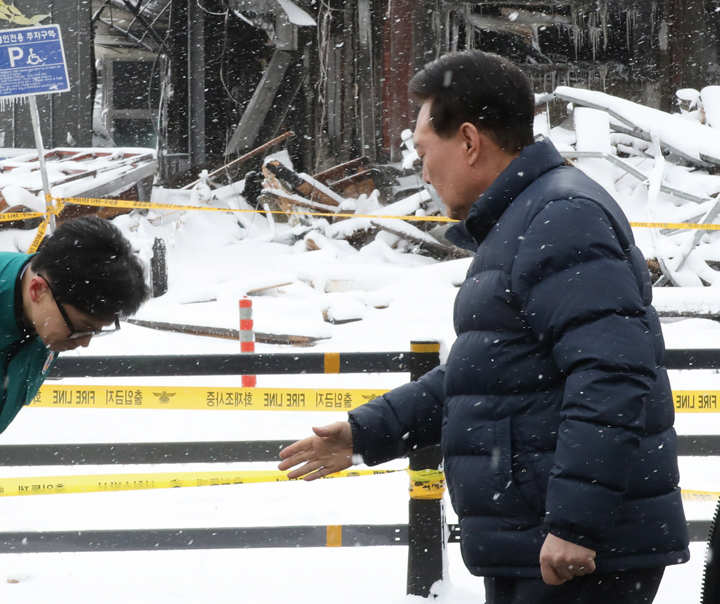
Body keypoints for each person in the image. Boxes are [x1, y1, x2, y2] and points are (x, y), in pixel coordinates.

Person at [278, 50, 689, 603]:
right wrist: (369, 431)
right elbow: (489, 375)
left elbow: (613, 372)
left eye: (425, 150)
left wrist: (574, 524)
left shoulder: (560, 217)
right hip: (542, 543)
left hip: (574, 556)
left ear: (469, 141)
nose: (422, 169)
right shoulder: (528, 218)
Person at [0, 215, 149, 482]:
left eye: (96, 332)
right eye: (81, 327)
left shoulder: (51, 310)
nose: (84, 342)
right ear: (37, 290)